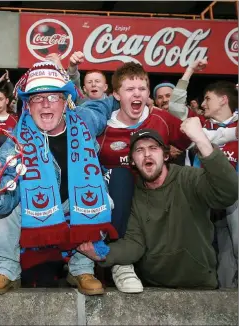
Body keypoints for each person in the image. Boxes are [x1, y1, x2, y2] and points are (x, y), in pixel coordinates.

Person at [0, 61, 120, 296]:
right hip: (34, 209)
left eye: (52, 97)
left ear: (65, 102)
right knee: (4, 206)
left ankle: (82, 269)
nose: (45, 104)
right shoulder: (15, 144)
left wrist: (123, 97)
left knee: (103, 197)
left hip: (72, 205)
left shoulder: (85, 120)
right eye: (36, 98)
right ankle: (7, 270)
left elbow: (104, 106)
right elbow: (4, 202)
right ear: (28, 107)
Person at [96, 62, 238, 293]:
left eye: (142, 89)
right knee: (120, 178)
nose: (137, 94)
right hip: (119, 212)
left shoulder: (161, 119)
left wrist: (233, 132)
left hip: (156, 207)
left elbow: (196, 134)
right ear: (115, 94)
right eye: (129, 89)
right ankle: (122, 264)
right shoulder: (102, 128)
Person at [78, 121, 238, 289]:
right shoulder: (134, 194)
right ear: (132, 161)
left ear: (166, 155)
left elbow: (228, 192)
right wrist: (101, 253)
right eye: (139, 150)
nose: (147, 154)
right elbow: (134, 244)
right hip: (154, 290)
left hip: (200, 286)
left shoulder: (189, 178)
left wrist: (201, 141)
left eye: (153, 148)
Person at [199, 81, 238, 288]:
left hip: (235, 199)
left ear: (223, 100)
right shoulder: (201, 125)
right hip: (207, 197)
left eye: (208, 98)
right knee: (221, 250)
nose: (204, 104)